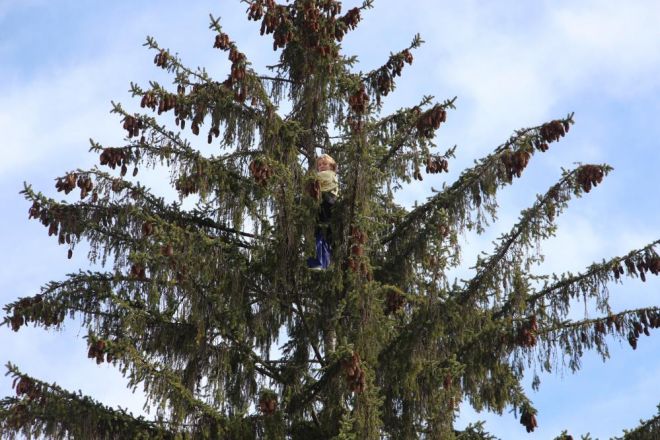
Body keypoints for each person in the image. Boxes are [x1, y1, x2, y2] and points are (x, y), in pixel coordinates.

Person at [307, 154, 338, 270]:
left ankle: (321, 262)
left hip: (326, 200)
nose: (322, 166)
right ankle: (324, 262)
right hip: (328, 202)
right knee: (324, 233)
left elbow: (313, 180)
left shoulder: (327, 174)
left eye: (325, 164)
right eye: (319, 165)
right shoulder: (332, 176)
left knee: (321, 231)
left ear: (332, 166)